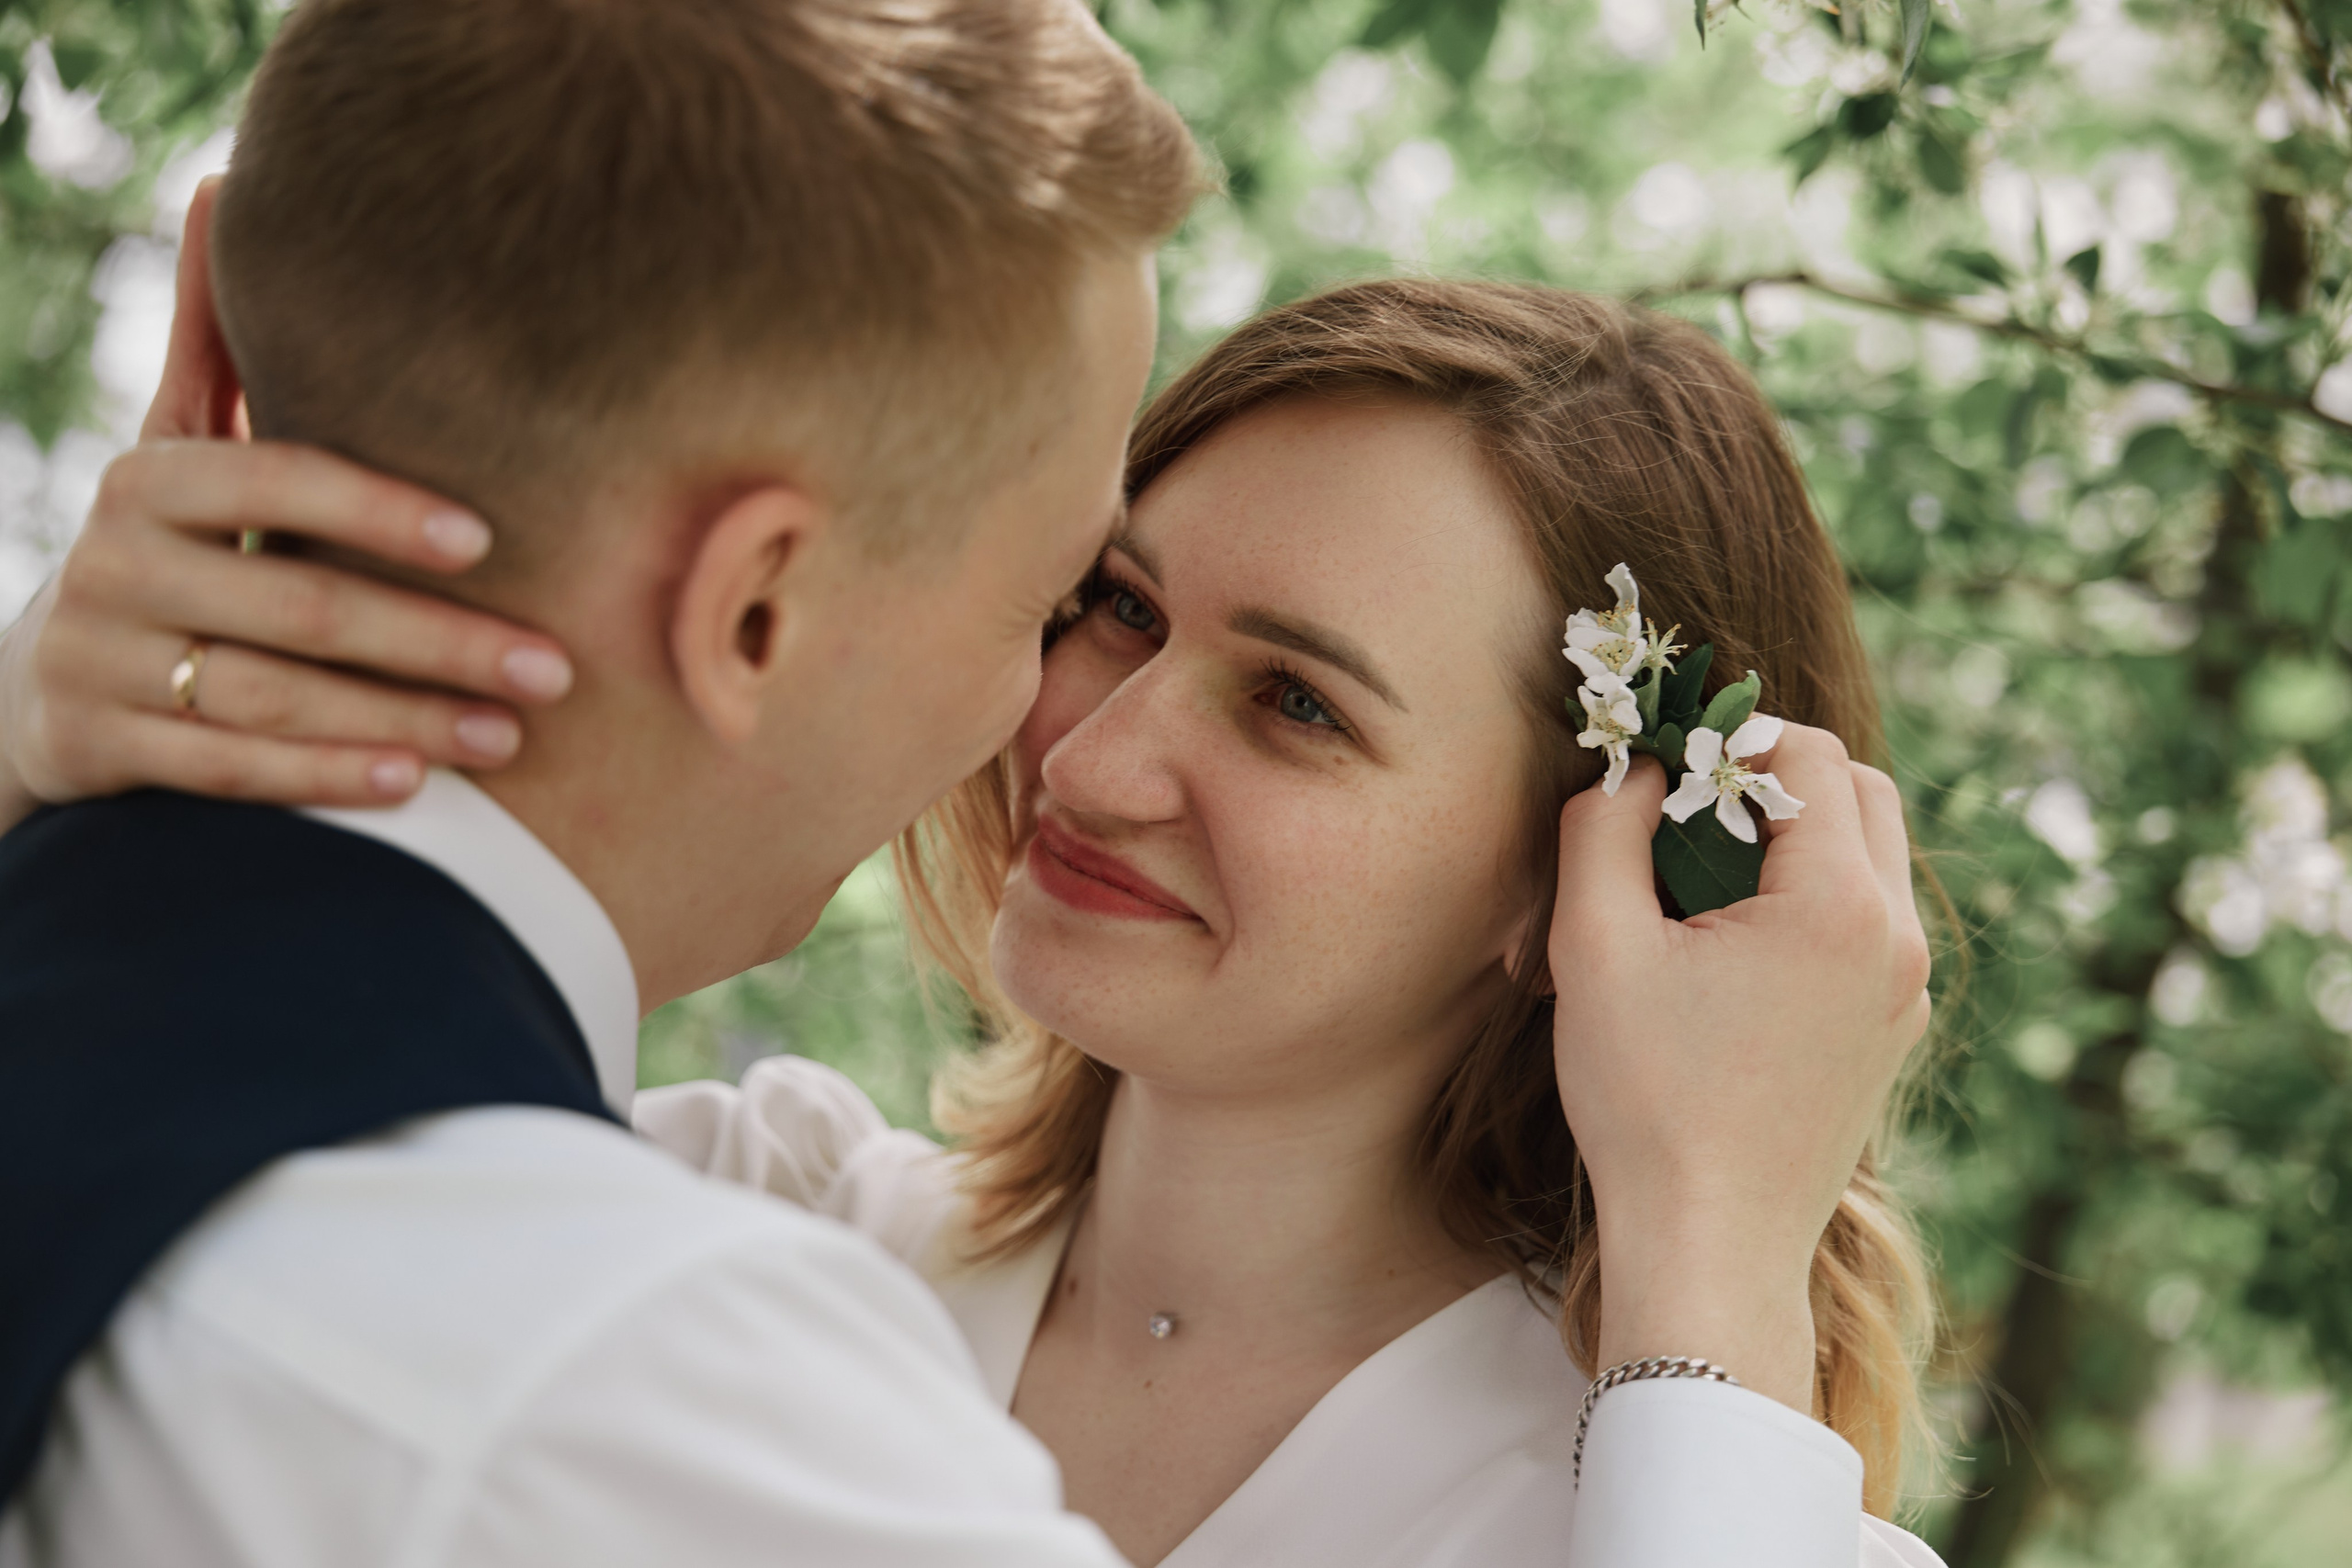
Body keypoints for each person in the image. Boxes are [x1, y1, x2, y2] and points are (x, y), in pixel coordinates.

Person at [0, 263, 1948, 1568]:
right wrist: (33, 765)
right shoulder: (723, 1215)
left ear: (1573, 875)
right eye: (1113, 602)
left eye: (1294, 703)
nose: (1087, 758)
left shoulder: (1697, 1507)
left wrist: (1713, 1261)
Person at [0, 0, 1195, 1562]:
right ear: (755, 611)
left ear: (216, 355)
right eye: (1044, 604)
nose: (1053, 725)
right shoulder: (653, 1389)